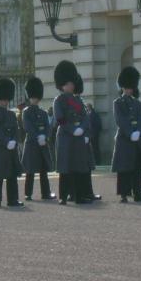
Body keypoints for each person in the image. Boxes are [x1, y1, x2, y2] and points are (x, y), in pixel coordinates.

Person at [53, 60, 92, 205]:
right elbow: (60, 119)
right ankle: (63, 196)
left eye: (72, 82)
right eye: (69, 83)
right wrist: (73, 129)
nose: (72, 85)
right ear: (63, 84)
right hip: (65, 137)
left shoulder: (77, 100)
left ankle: (78, 195)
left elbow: (85, 116)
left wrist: (81, 128)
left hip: (78, 138)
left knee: (78, 167)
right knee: (65, 168)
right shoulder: (59, 100)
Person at [112, 66, 141, 203]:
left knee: (136, 168)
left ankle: (137, 192)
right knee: (124, 168)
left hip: (136, 139)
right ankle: (124, 193)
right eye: (127, 87)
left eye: (131, 87)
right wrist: (130, 132)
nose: (129, 90)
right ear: (123, 87)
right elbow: (120, 120)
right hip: (124, 139)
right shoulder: (118, 103)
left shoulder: (137, 103)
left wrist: (139, 132)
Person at [0, 77, 23, 208]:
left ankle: (13, 200)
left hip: (11, 148)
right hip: (0, 148)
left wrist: (14, 141)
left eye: (6, 100)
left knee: (12, 176)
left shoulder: (12, 114)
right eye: (2, 99)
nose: (5, 102)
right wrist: (7, 141)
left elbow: (16, 129)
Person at [20, 76, 55, 202]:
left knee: (43, 170)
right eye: (33, 97)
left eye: (36, 97)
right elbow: (27, 126)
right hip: (31, 143)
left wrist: (44, 136)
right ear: (30, 97)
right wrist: (37, 136)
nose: (34, 99)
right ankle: (27, 193)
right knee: (30, 171)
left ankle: (46, 193)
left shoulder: (43, 112)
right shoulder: (26, 112)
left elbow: (48, 126)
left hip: (42, 143)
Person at [74, 75, 102, 202]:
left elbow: (87, 123)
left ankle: (88, 192)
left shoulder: (82, 103)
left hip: (84, 141)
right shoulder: (70, 103)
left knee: (87, 168)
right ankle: (76, 193)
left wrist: (87, 136)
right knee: (77, 169)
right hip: (75, 141)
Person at [87, 102, 103, 166]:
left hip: (94, 135)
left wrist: (95, 133)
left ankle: (98, 162)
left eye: (87, 107)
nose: (87, 108)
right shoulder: (87, 114)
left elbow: (99, 125)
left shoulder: (95, 114)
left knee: (95, 148)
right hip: (89, 134)